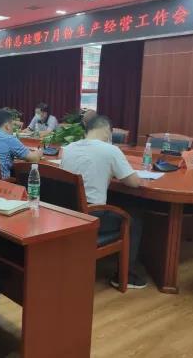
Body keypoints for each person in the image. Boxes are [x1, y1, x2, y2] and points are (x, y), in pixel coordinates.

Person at [61, 115, 146, 289]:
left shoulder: (68, 148)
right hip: (92, 217)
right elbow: (134, 183)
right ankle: (125, 275)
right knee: (134, 217)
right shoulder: (110, 150)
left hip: (68, 214)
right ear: (108, 131)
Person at [0, 109, 42, 179]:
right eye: (12, 125)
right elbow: (34, 159)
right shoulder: (9, 139)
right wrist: (39, 152)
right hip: (1, 183)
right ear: (7, 126)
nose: (13, 128)